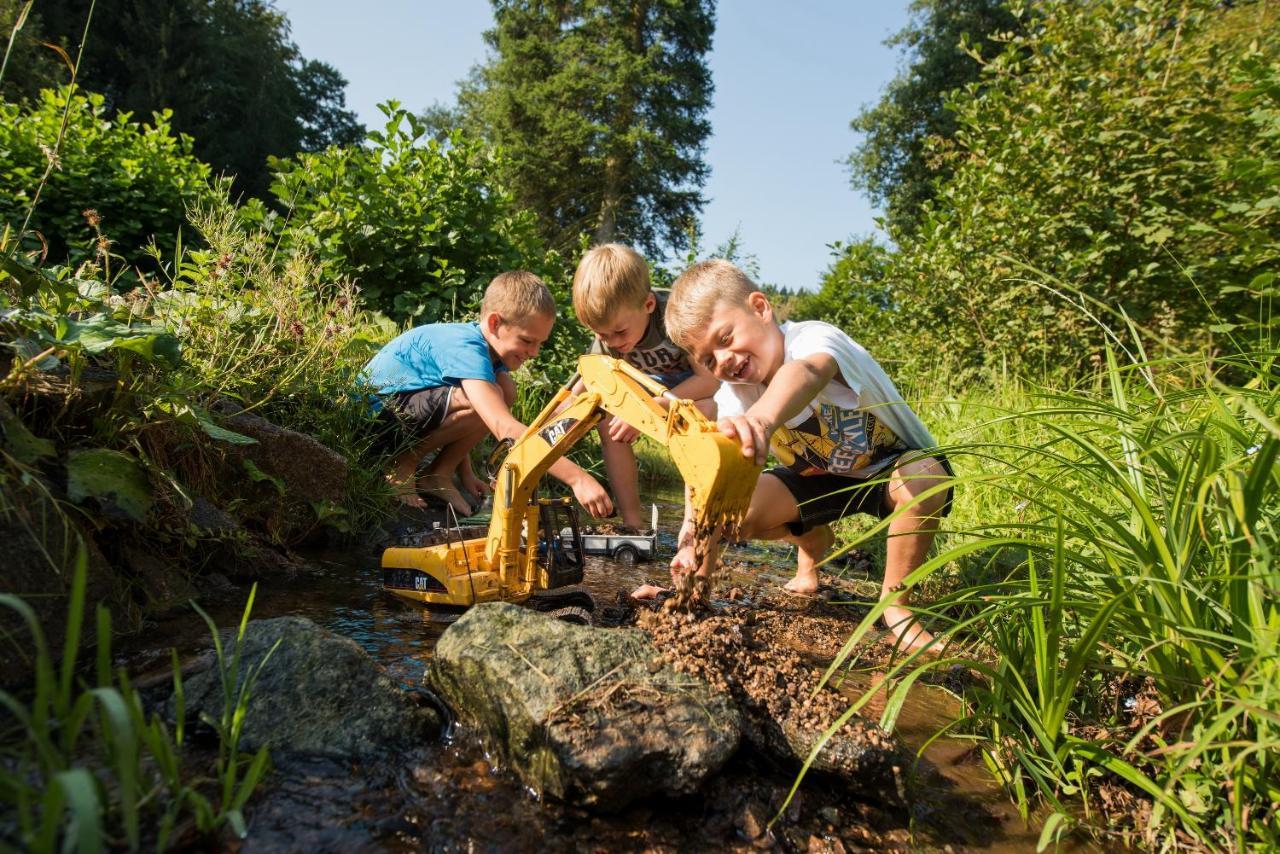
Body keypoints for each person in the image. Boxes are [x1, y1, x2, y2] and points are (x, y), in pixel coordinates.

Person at [636, 260, 954, 651]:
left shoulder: (812, 339)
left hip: (892, 471)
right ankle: (806, 546)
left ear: (759, 307)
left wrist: (763, 419)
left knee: (924, 475)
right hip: (820, 482)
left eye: (725, 338)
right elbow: (707, 477)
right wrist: (687, 550)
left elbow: (806, 372)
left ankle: (896, 607)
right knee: (727, 510)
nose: (724, 361)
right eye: (708, 361)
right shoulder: (732, 396)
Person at [362, 270, 613, 519]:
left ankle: (439, 473)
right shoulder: (466, 346)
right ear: (495, 323)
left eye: (540, 343)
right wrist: (577, 478)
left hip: (406, 415)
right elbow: (503, 427)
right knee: (490, 395)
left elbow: (460, 415)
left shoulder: (488, 354)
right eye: (527, 341)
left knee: (504, 390)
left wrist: (466, 473)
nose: (534, 352)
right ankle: (401, 465)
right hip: (373, 419)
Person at [570, 244, 719, 529]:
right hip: (646, 390)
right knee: (608, 425)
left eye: (620, 332)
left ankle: (697, 519)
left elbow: (709, 381)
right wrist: (553, 426)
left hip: (689, 392)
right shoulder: (610, 333)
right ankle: (633, 522)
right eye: (602, 335)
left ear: (648, 305)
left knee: (706, 411)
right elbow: (583, 386)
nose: (612, 342)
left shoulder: (675, 317)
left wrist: (650, 411)